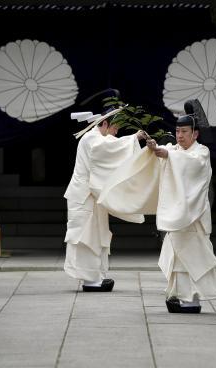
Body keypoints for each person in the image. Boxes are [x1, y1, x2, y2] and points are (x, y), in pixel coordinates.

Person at [99, 114, 216, 313]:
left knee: (192, 258)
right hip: (178, 217)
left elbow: (185, 163)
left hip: (193, 217)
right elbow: (167, 153)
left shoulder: (201, 153)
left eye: (184, 132)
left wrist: (165, 154)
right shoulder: (175, 149)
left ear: (195, 134)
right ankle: (182, 296)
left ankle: (191, 300)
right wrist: (154, 149)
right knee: (176, 258)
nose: (179, 136)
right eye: (178, 131)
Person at [64, 108, 146, 292]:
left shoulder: (97, 138)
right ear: (105, 124)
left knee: (98, 236)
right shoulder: (91, 138)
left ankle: (97, 276)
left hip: (92, 196)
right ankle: (90, 280)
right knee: (87, 237)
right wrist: (133, 138)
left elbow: (112, 148)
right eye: (115, 128)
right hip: (84, 196)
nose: (116, 133)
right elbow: (110, 149)